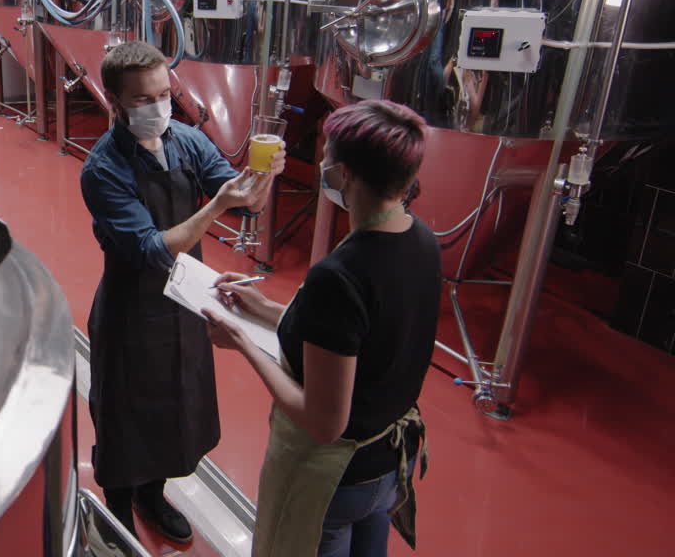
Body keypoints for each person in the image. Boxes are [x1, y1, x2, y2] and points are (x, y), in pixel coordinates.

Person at [203, 99, 440, 557]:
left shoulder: (340, 273)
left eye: (326, 155)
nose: (322, 165)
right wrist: (264, 309)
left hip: (336, 480)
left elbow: (324, 421)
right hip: (386, 470)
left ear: (346, 174)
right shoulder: (420, 239)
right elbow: (350, 333)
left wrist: (242, 341)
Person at [80, 41, 286, 542]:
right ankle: (119, 515)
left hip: (184, 303)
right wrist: (217, 205)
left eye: (162, 94)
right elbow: (153, 250)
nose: (157, 107)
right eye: (142, 100)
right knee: (126, 418)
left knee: (175, 407)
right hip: (132, 312)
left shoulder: (187, 141)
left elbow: (241, 202)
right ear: (114, 101)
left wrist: (260, 180)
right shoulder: (104, 170)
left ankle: (153, 495)